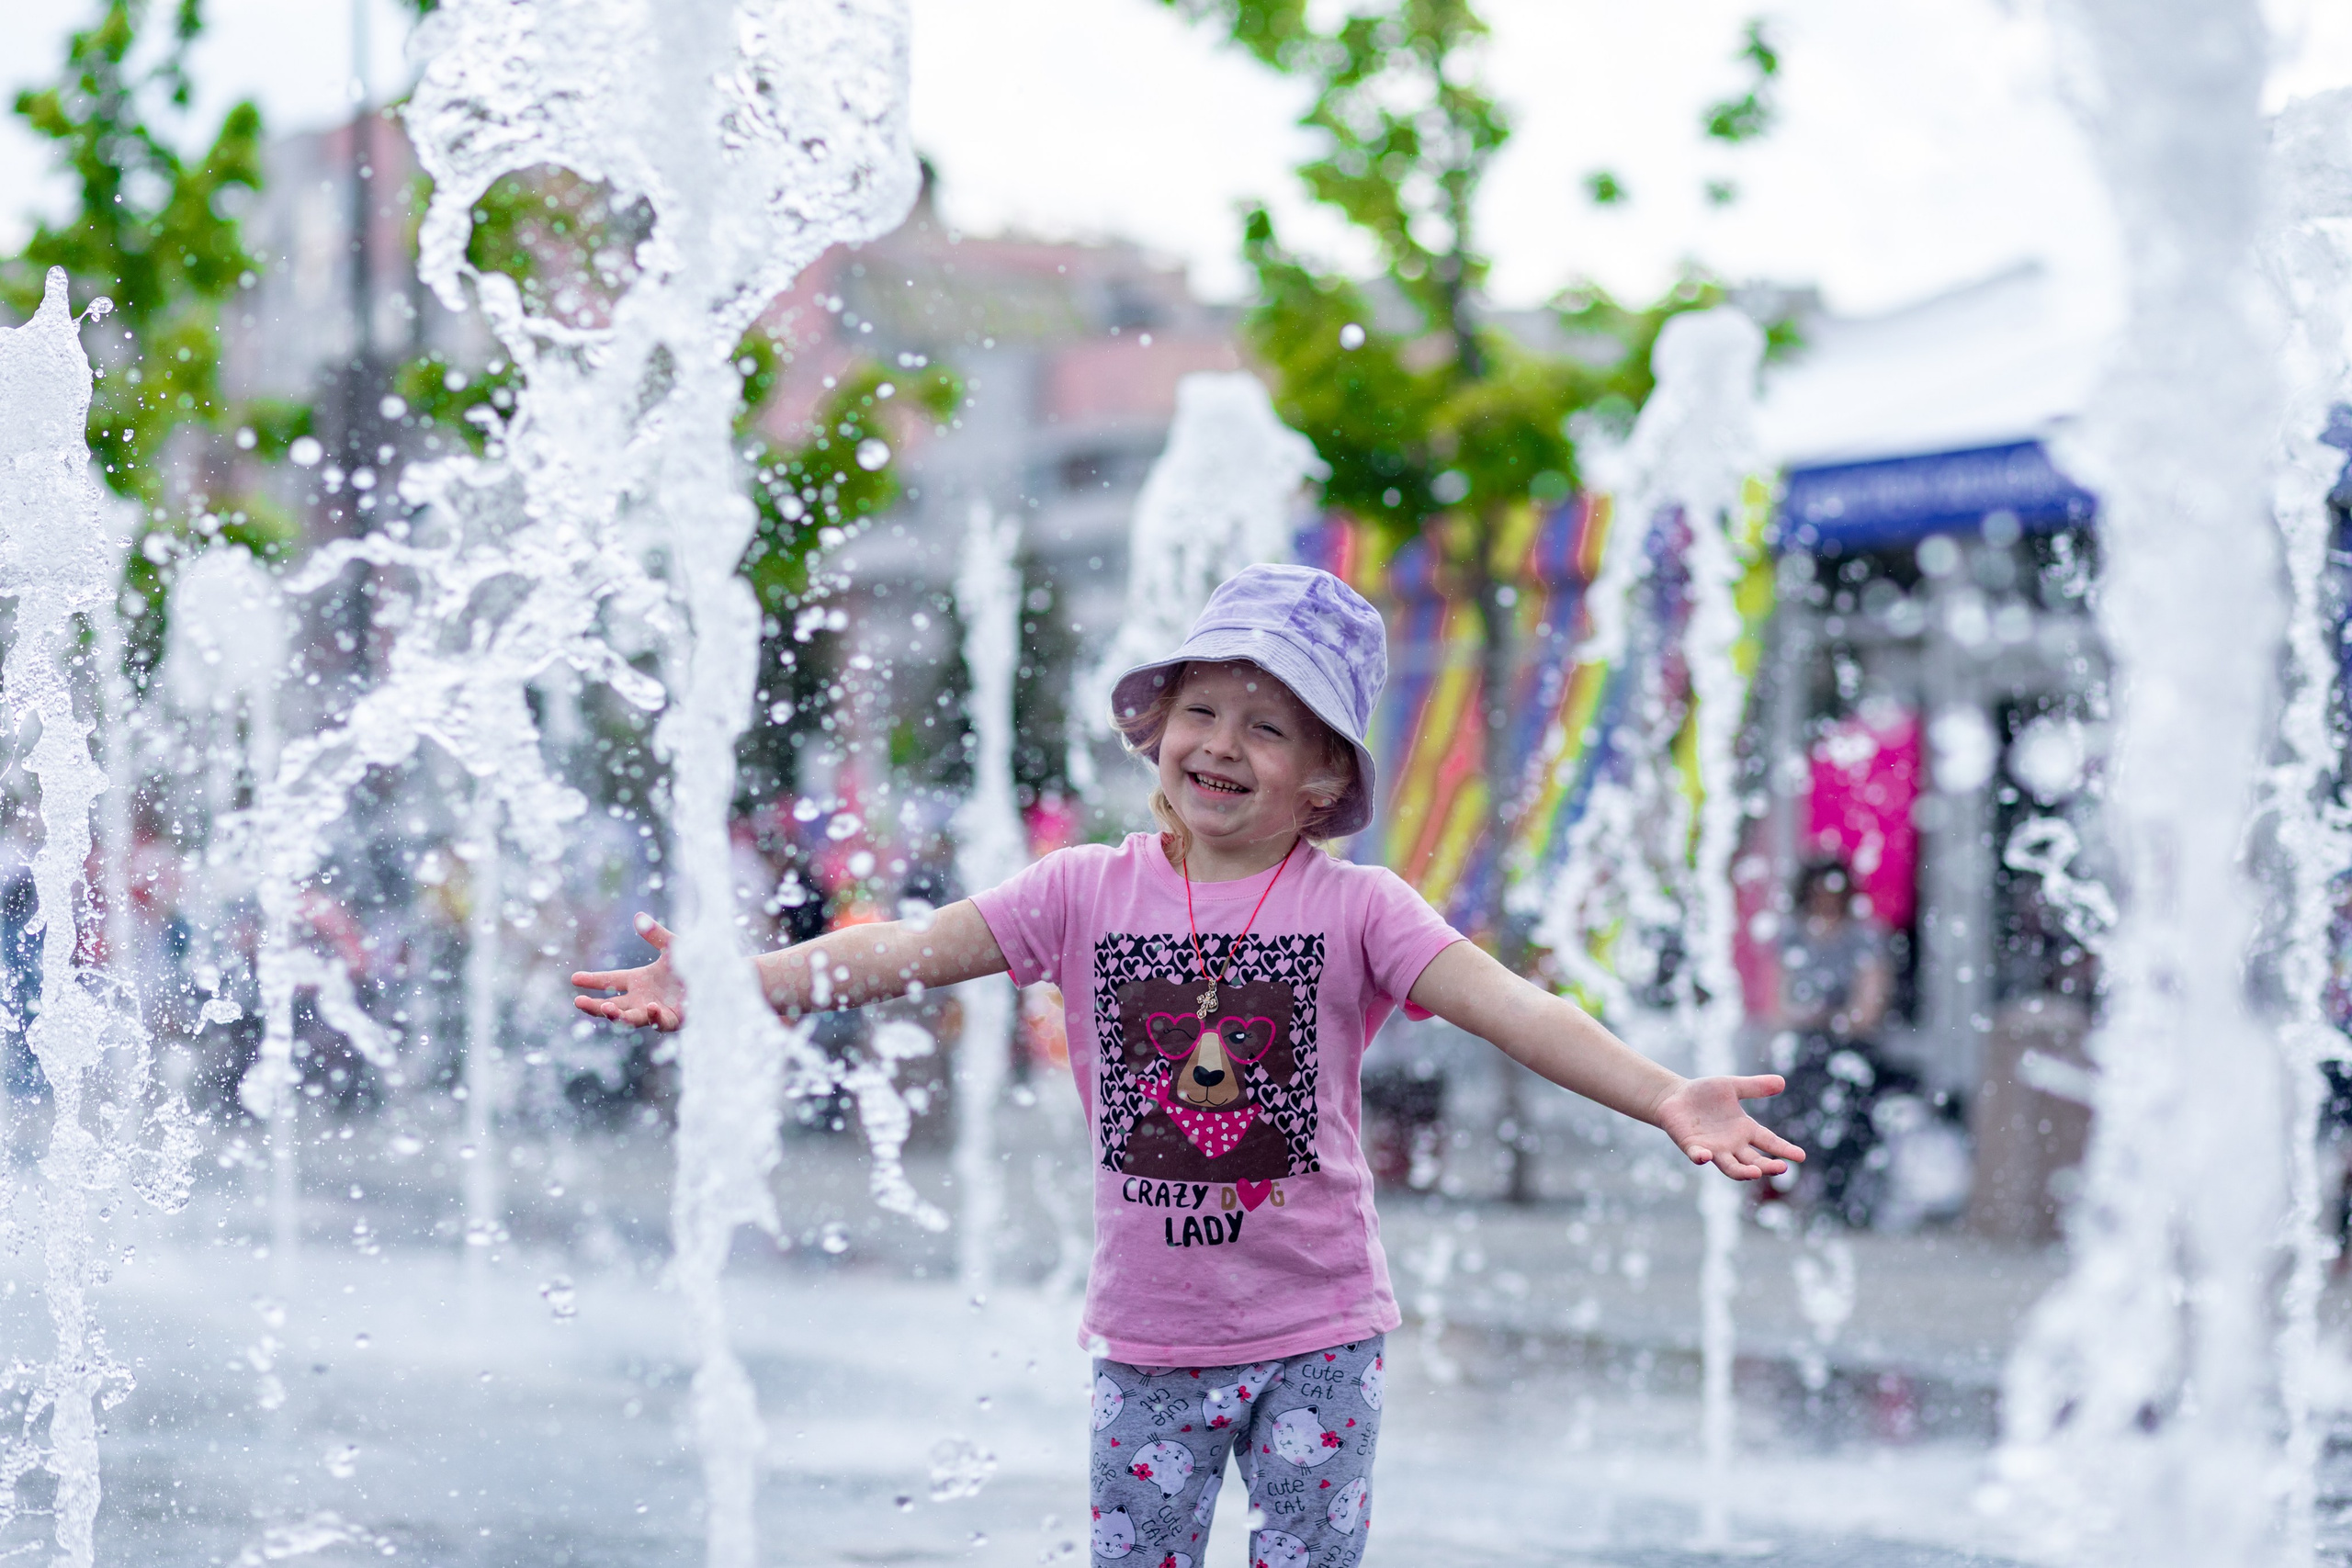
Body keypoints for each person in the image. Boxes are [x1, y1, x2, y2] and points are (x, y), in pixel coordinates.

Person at [574, 564, 1803, 1568]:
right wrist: (732, 979)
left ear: (1326, 776)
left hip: (1320, 1326)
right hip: (1150, 1336)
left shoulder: (1358, 907)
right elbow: (900, 949)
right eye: (1202, 711)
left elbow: (1512, 1006)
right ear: (1157, 728)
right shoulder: (1080, 890)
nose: (1222, 744)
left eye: (1268, 726)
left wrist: (1664, 1092)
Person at [1770, 857, 1914, 1225]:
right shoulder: (1793, 935)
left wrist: (1825, 1017)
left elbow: (1868, 1010)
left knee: (1847, 1099)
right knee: (1787, 1096)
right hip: (1806, 1047)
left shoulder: (1865, 937)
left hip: (1850, 1047)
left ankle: (1839, 1194)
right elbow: (1782, 1003)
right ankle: (1789, 1189)